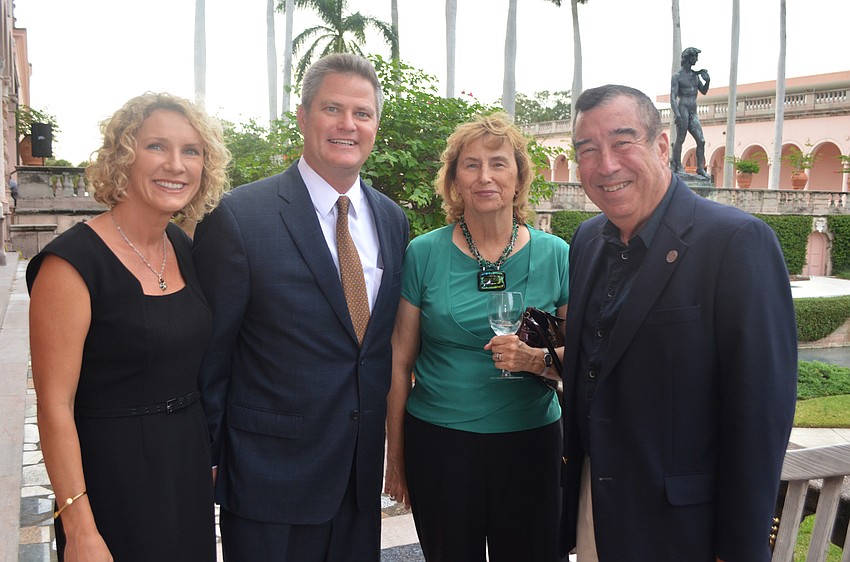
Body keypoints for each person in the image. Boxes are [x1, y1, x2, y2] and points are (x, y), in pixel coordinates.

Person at [559, 84, 798, 562]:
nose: (606, 165)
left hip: (684, 531)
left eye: (623, 142)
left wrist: (740, 549)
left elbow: (759, 417)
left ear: (662, 146)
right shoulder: (586, 241)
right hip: (595, 513)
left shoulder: (736, 243)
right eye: (588, 150)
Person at [192, 53, 409, 562]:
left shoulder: (390, 219)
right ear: (302, 115)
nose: (347, 125)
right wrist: (207, 454)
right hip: (269, 477)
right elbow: (211, 353)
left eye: (362, 113)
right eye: (332, 109)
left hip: (357, 481)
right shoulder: (239, 218)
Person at [26, 92, 231, 561]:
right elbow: (55, 407)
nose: (176, 165)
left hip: (184, 469)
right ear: (123, 156)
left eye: (191, 151)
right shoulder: (71, 265)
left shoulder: (179, 245)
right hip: (112, 480)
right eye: (157, 146)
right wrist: (78, 527)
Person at [383, 112, 569, 561]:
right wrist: (396, 456)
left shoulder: (557, 254)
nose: (485, 176)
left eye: (499, 163)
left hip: (531, 442)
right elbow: (399, 363)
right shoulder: (423, 253)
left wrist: (536, 360)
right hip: (442, 444)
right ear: (454, 180)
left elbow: (581, 353)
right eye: (471, 164)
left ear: (520, 177)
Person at [670, 47, 710, 178]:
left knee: (701, 140)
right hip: (683, 109)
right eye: (695, 57)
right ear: (688, 58)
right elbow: (673, 96)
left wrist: (707, 80)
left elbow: (703, 91)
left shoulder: (695, 76)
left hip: (693, 110)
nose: (697, 59)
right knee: (680, 139)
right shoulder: (677, 76)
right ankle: (677, 165)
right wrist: (677, 114)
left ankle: (700, 168)